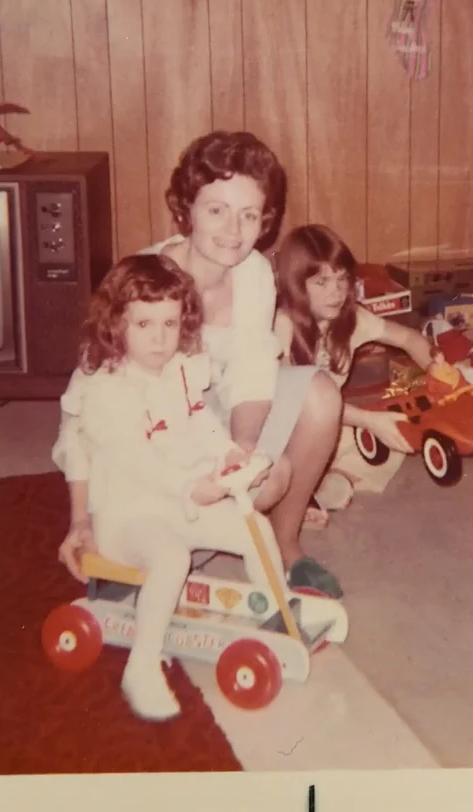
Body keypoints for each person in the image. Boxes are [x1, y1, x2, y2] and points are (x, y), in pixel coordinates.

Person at [53, 131, 344, 599]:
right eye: (217, 210)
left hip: (217, 420)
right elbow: (81, 415)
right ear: (187, 209)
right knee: (258, 481)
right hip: (159, 435)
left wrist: (243, 446)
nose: (234, 231)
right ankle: (158, 544)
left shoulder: (253, 274)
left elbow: (252, 371)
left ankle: (287, 546)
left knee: (319, 399)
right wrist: (80, 519)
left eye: (249, 215)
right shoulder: (142, 285)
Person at [58, 252, 280, 721]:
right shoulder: (108, 392)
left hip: (178, 503)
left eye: (170, 323)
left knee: (253, 527)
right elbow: (138, 463)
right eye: (144, 325)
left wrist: (228, 454)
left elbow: (201, 423)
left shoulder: (182, 368)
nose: (160, 339)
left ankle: (277, 611)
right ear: (117, 324)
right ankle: (141, 667)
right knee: (171, 556)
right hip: (128, 514)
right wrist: (191, 487)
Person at [273, 224, 444, 456]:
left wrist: (438, 372)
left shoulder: (352, 318)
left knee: (390, 445)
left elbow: (408, 338)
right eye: (321, 282)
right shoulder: (282, 324)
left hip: (323, 420)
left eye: (342, 278)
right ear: (296, 285)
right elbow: (291, 400)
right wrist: (367, 420)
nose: (336, 292)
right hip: (279, 426)